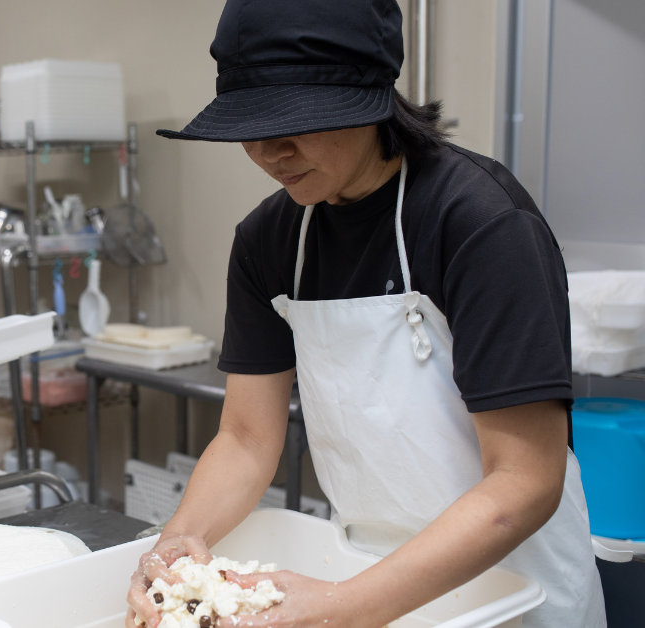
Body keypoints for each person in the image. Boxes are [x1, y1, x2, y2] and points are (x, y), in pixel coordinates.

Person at [126, 1, 605, 627]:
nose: (271, 152)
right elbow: (246, 438)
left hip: (513, 589)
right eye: (251, 125)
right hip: (360, 572)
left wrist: (342, 608)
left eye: (295, 122)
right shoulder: (268, 241)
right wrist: (178, 542)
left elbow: (525, 480)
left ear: (370, 100)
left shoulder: (480, 223)